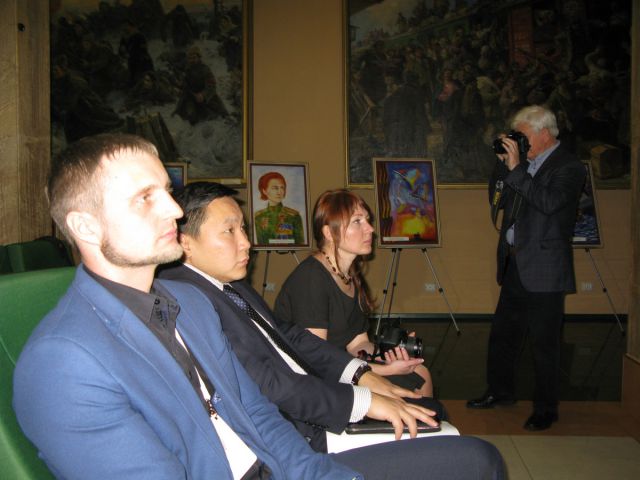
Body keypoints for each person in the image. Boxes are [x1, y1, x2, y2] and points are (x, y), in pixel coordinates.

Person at [13, 133, 504, 480]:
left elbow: (258, 413)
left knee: (476, 459)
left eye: (166, 191)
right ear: (85, 226)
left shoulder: (189, 303)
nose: (175, 210)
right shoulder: (62, 364)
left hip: (282, 465)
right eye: (146, 198)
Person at [159, 182, 447, 453]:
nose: (247, 243)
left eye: (243, 229)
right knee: (442, 430)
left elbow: (292, 337)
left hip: (314, 397)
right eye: (229, 231)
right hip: (297, 429)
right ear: (186, 242)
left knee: (429, 406)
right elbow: (270, 384)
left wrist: (363, 373)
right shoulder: (185, 300)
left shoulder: (230, 284)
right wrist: (363, 400)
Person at [466, 105, 586, 431]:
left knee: (544, 343)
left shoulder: (569, 166)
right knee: (503, 335)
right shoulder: (523, 164)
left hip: (545, 267)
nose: (518, 141)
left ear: (544, 133)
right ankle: (500, 391)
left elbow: (548, 202)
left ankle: (546, 409)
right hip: (515, 262)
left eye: (522, 135)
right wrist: (503, 165)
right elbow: (498, 199)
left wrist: (518, 168)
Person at [274, 189, 434, 397]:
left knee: (420, 373)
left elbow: (358, 343)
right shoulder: (311, 279)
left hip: (339, 367)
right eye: (357, 221)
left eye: (367, 220)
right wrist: (386, 370)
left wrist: (390, 354)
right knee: (415, 384)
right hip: (312, 382)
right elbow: (317, 359)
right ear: (329, 233)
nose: (370, 229)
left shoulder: (348, 275)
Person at [254, 171, 304, 245]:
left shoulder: (293, 216)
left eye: (282, 187)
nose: (279, 192)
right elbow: (260, 243)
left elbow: (300, 243)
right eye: (275, 188)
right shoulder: (259, 217)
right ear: (264, 191)